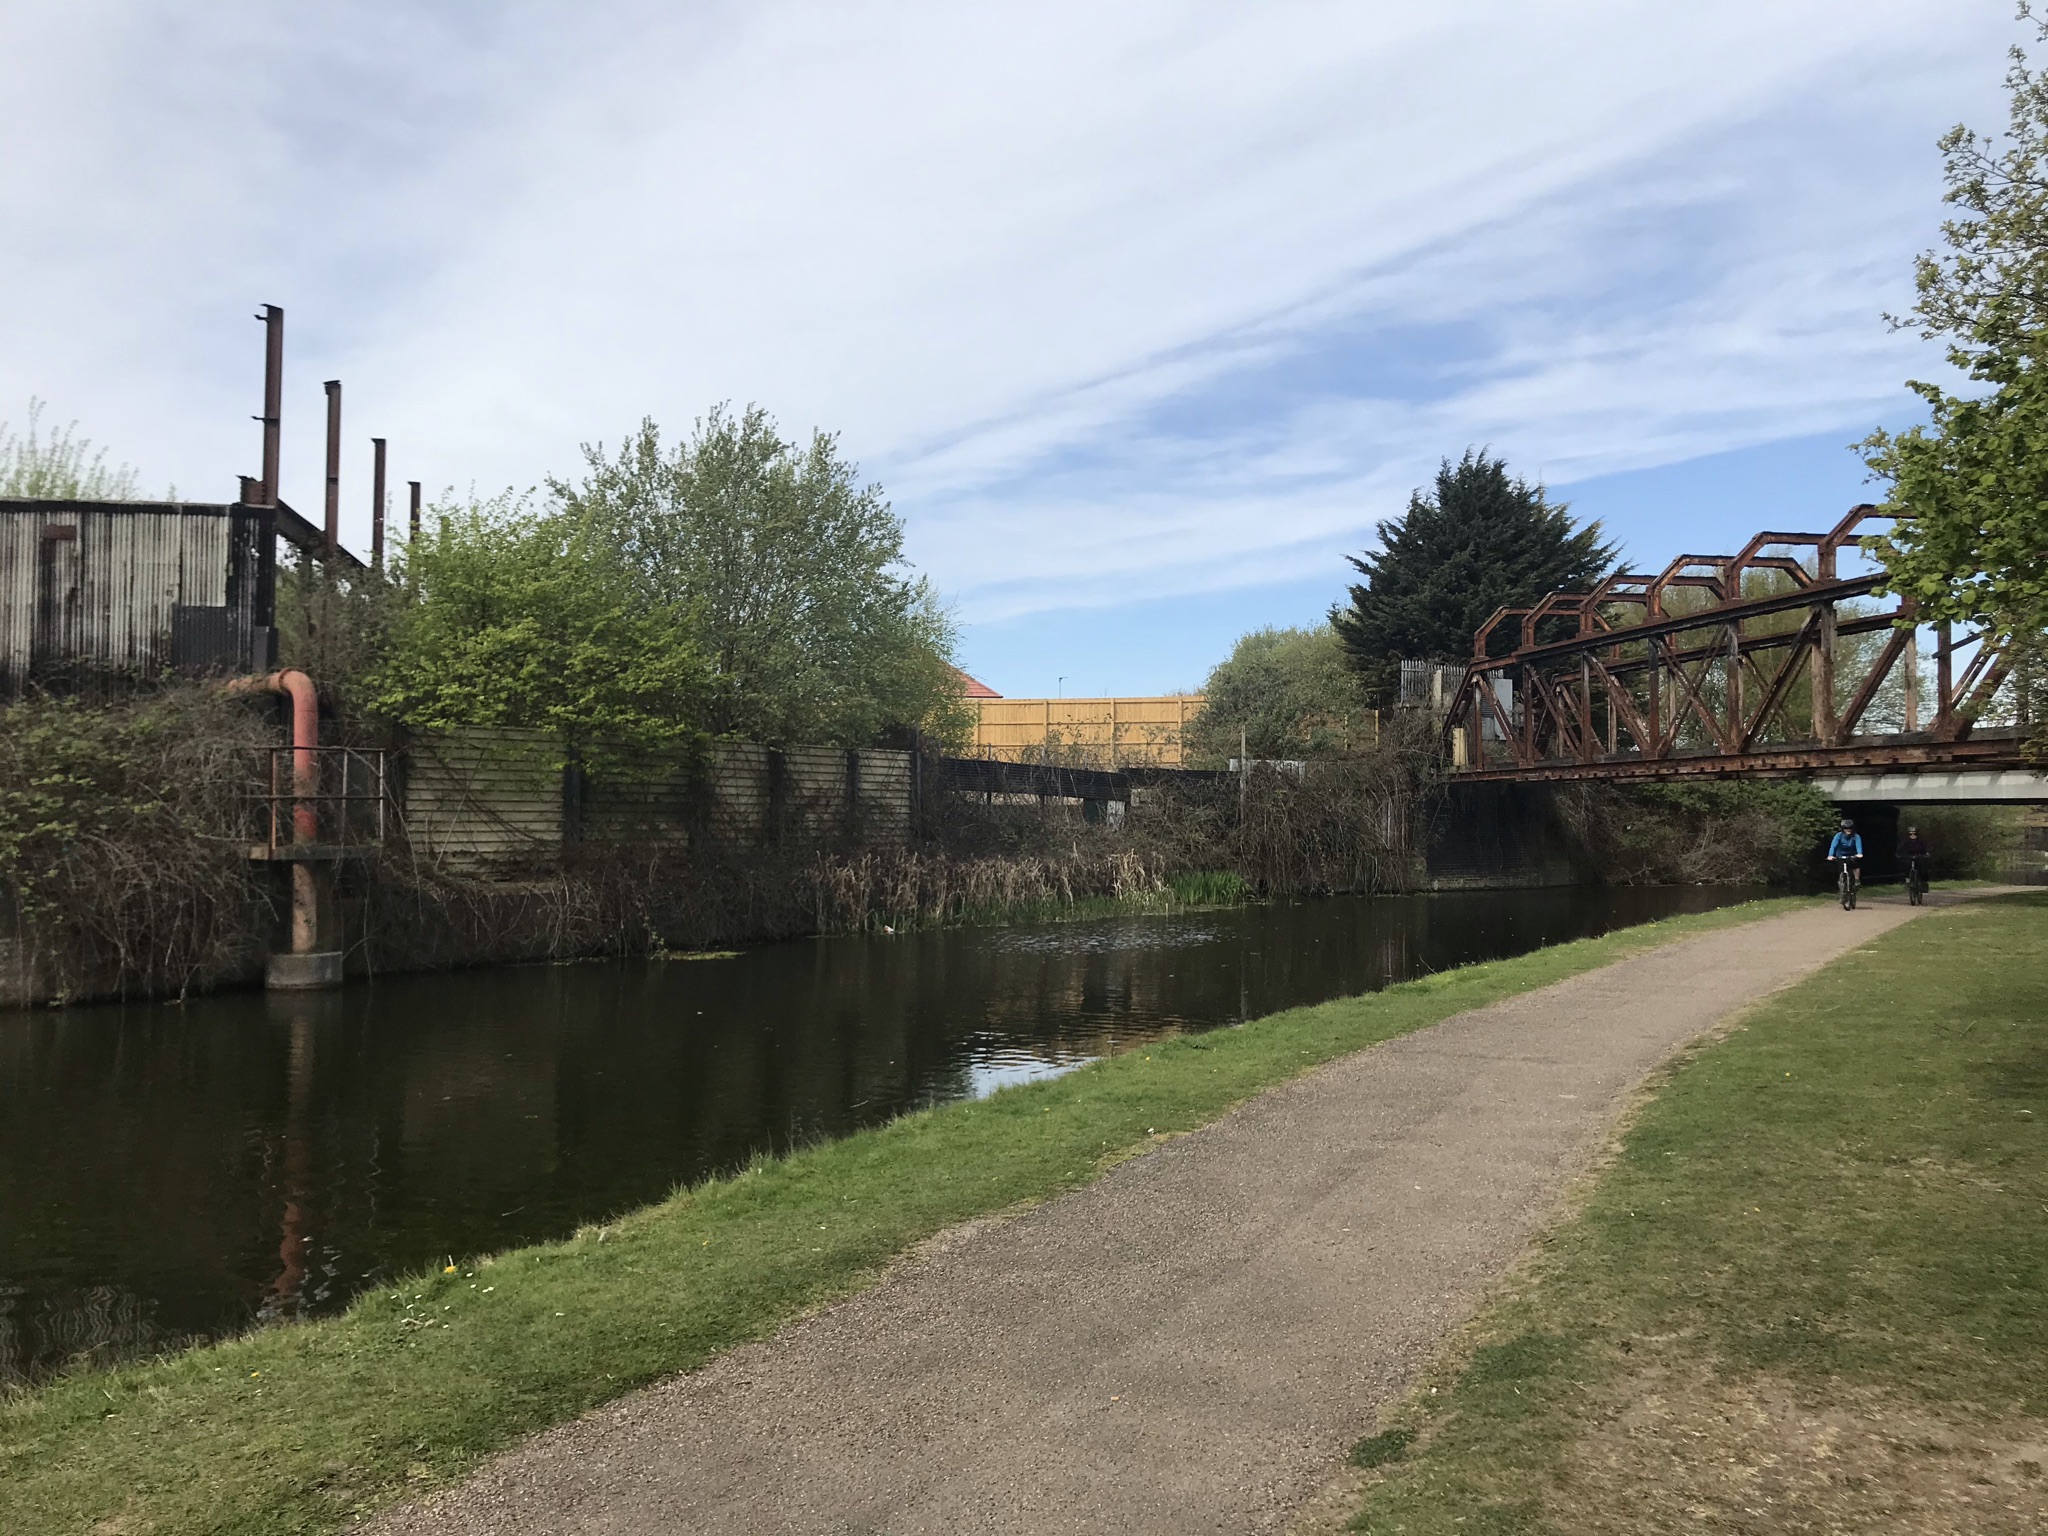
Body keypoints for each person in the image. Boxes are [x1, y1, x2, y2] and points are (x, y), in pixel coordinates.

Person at [1827, 819, 1863, 895]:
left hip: (1852, 855)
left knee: (1856, 865)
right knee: (1839, 868)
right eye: (1846, 828)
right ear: (1843, 829)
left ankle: (1856, 880)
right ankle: (1841, 883)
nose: (1848, 830)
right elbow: (1833, 846)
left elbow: (1858, 845)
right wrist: (1830, 855)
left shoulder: (1856, 836)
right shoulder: (1838, 836)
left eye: (1850, 828)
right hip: (1840, 855)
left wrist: (1859, 853)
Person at [1901, 824, 1931, 895]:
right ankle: (1907, 880)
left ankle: (1923, 884)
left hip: (1919, 856)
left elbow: (1925, 848)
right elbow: (1901, 848)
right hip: (1909, 856)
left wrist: (1926, 853)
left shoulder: (1920, 841)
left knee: (1922, 868)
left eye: (1914, 833)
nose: (1913, 835)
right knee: (1906, 865)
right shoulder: (1906, 841)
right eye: (1911, 833)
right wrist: (1899, 853)